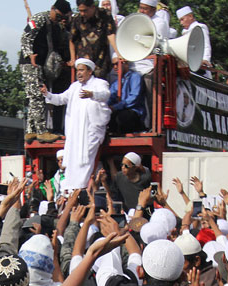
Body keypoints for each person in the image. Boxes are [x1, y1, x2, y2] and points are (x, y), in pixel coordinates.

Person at [42, 58, 111, 191]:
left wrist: (92, 94)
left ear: (90, 71)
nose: (78, 73)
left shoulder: (99, 83)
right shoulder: (74, 87)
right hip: (75, 130)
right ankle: (69, 189)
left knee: (85, 159)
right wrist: (47, 94)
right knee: (72, 158)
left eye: (81, 70)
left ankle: (80, 188)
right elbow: (60, 99)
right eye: (77, 70)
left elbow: (105, 94)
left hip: (90, 129)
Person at [19, 0, 73, 143]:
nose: (60, 19)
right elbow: (25, 36)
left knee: (34, 95)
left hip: (41, 64)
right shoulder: (39, 18)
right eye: (59, 15)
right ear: (52, 9)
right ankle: (42, 131)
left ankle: (31, 130)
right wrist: (29, 54)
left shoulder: (56, 27)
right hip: (30, 63)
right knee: (37, 95)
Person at [69, 0, 118, 79]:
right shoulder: (77, 19)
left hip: (101, 59)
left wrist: (118, 53)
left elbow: (111, 34)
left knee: (100, 85)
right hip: (83, 60)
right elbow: (72, 40)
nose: (82, 14)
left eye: (85, 10)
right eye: (80, 11)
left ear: (93, 7)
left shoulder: (105, 15)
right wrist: (72, 59)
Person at [107, 68, 147, 135]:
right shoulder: (116, 82)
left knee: (122, 117)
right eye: (113, 65)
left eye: (117, 64)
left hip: (133, 111)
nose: (115, 67)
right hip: (120, 110)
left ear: (125, 63)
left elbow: (134, 97)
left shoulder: (135, 76)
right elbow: (110, 97)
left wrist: (116, 107)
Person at [176, 5, 212, 77]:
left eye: (182, 19)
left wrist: (205, 60)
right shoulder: (184, 32)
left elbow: (206, 45)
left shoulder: (200, 27)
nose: (181, 23)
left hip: (200, 66)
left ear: (190, 16)